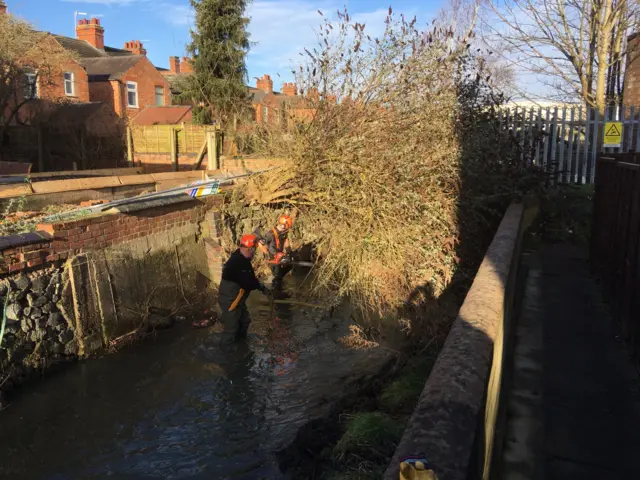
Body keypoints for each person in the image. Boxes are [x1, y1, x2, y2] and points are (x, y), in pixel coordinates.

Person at [218, 234, 270, 343]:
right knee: (231, 328)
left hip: (238, 299)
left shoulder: (243, 259)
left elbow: (250, 278)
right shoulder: (236, 262)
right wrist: (260, 287)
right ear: (250, 249)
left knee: (245, 321)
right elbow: (247, 282)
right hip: (230, 300)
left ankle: (240, 342)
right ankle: (226, 352)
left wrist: (263, 288)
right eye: (254, 250)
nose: (255, 253)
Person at [257, 214, 294, 289]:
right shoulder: (270, 234)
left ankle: (277, 284)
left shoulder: (283, 232)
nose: (287, 229)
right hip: (273, 258)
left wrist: (289, 253)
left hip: (280, 257)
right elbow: (260, 243)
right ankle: (274, 293)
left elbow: (286, 241)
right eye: (287, 227)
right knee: (277, 276)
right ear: (283, 225)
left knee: (289, 266)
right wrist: (268, 254)